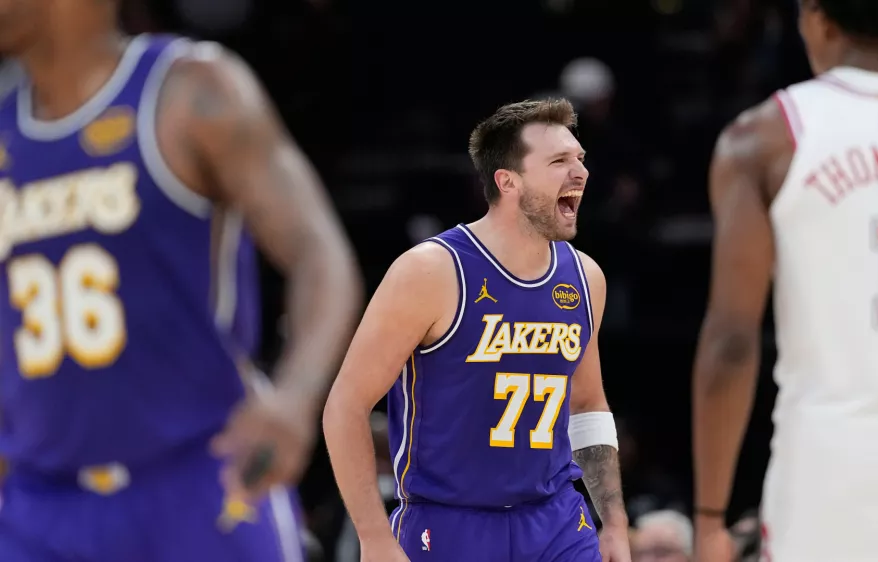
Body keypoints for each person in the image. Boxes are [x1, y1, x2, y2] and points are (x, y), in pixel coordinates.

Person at [0, 0, 363, 560]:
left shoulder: (189, 91)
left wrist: (295, 397)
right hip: (42, 503)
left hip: (199, 482)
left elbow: (320, 253)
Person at [691, 0, 878, 561]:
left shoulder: (762, 139)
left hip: (826, 469)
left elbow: (732, 342)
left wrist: (710, 517)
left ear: (817, 17)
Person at [324, 98, 630, 562]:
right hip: (450, 520)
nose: (581, 173)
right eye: (558, 162)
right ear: (508, 182)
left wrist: (614, 523)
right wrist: (373, 538)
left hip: (557, 520)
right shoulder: (431, 270)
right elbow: (345, 405)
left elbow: (587, 406)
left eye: (580, 159)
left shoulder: (586, 278)